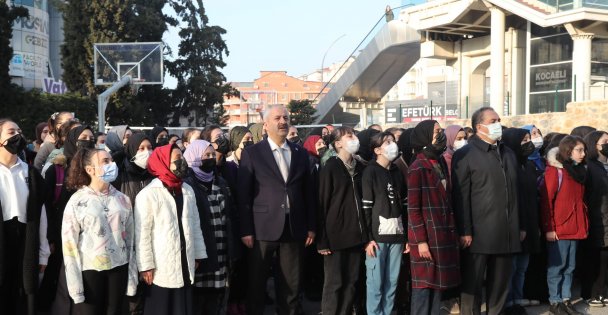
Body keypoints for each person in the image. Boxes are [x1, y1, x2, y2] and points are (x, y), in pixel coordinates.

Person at [237, 105, 316, 315]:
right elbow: (243, 195)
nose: (282, 121)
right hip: (262, 229)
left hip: (294, 227)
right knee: (256, 286)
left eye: (286, 118)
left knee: (291, 287)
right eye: (277, 118)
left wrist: (311, 226)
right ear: (266, 124)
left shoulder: (299, 153)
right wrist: (246, 230)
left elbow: (308, 192)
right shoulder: (252, 153)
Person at [451, 107, 522, 315]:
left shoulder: (508, 153)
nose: (497, 124)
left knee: (500, 284)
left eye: (498, 120)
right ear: (479, 126)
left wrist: (521, 225)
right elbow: (460, 196)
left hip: (506, 231)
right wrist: (464, 230)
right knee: (472, 286)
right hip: (478, 233)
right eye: (493, 120)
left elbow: (517, 193)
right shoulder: (465, 154)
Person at [61, 148, 137, 314]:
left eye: (111, 160)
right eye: (105, 161)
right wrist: (75, 287)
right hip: (91, 270)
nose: (111, 164)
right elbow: (69, 246)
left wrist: (132, 279)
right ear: (90, 170)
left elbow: (131, 240)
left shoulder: (122, 199)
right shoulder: (77, 200)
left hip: (119, 266)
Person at [134, 144, 207, 315]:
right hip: (161, 264)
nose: (181, 162)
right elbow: (142, 233)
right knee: (162, 307)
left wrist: (197, 254)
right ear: (164, 162)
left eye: (182, 158)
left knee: (183, 306)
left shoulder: (187, 190)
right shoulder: (148, 194)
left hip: (185, 259)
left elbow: (195, 225)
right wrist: (145, 266)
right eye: (176, 159)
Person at [407, 120, 460, 315]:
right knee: (423, 287)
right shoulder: (417, 167)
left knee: (437, 285)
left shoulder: (438, 162)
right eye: (437, 131)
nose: (441, 134)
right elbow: (413, 209)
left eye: (441, 131)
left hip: (442, 232)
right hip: (427, 235)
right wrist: (421, 240)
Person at [41, 125, 95, 314]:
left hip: (89, 238)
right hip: (60, 236)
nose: (88, 140)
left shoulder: (95, 169)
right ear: (72, 139)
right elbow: (46, 206)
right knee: (59, 278)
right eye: (83, 137)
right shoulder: (57, 169)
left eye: (91, 137)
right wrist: (50, 238)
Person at [183, 139, 239, 315]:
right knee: (198, 302)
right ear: (193, 157)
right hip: (202, 254)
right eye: (206, 155)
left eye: (212, 155)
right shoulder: (187, 184)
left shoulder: (220, 181)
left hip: (221, 252)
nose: (210, 158)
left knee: (217, 300)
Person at [0, 119, 49, 315]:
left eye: (19, 131)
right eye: (11, 132)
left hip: (25, 241)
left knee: (23, 296)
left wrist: (43, 251)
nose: (17, 136)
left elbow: (40, 214)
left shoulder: (29, 173)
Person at [317, 126, 367, 315]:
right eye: (349, 136)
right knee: (335, 282)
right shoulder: (330, 167)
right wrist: (322, 240)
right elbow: (321, 203)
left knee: (351, 282)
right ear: (337, 143)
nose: (354, 138)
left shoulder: (361, 166)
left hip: (356, 235)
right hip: (335, 236)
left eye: (354, 135)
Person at [540, 136, 588, 315]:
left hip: (575, 226)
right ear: (568, 151)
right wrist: (549, 228)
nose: (583, 154)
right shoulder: (555, 171)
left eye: (583, 150)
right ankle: (555, 301)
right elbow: (546, 202)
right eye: (579, 150)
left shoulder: (578, 171)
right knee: (556, 267)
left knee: (570, 267)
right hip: (559, 228)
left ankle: (566, 299)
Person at [362, 131, 407, 315]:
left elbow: (404, 205)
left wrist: (406, 237)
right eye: (387, 142)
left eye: (393, 141)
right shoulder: (370, 171)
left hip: (397, 236)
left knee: (392, 283)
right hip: (377, 239)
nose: (392, 145)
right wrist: (368, 239)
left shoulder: (397, 171)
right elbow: (366, 208)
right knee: (375, 284)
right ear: (377, 150)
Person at [502, 128, 543, 314]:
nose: (529, 143)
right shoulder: (510, 166)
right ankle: (508, 300)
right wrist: (520, 225)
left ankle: (517, 298)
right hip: (517, 224)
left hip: (530, 222)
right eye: (524, 140)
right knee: (513, 267)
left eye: (529, 139)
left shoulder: (528, 166)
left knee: (522, 267)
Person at [113, 132, 154, 315]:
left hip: (151, 242)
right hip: (126, 244)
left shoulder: (155, 175)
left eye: (150, 148)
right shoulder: (120, 176)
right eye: (141, 148)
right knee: (130, 297)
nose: (147, 152)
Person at [224, 126, 252, 314]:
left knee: (248, 267)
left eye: (251, 139)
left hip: (252, 218)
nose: (249, 143)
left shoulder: (253, 160)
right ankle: (233, 302)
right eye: (245, 140)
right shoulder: (229, 166)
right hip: (234, 221)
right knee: (236, 265)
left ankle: (243, 299)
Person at [580, 131, 608, 307]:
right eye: (605, 141)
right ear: (594, 145)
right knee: (595, 258)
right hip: (597, 217)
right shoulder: (590, 166)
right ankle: (591, 293)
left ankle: (602, 291)